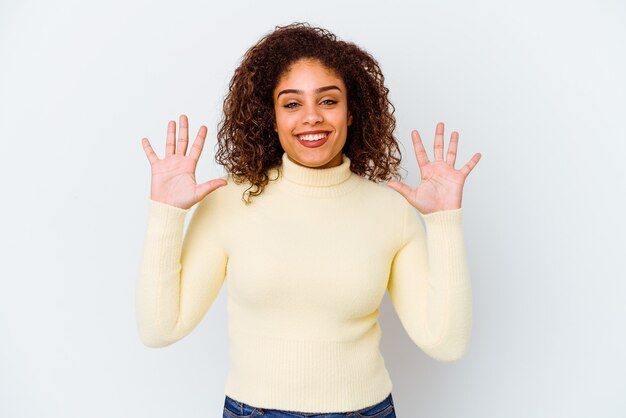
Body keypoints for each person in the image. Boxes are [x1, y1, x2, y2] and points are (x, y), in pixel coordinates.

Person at [136, 22, 481, 418]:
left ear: (352, 112)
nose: (312, 117)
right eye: (292, 103)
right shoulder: (229, 200)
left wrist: (443, 221)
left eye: (328, 101)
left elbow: (446, 343)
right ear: (273, 116)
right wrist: (165, 215)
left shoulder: (392, 209)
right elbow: (160, 329)